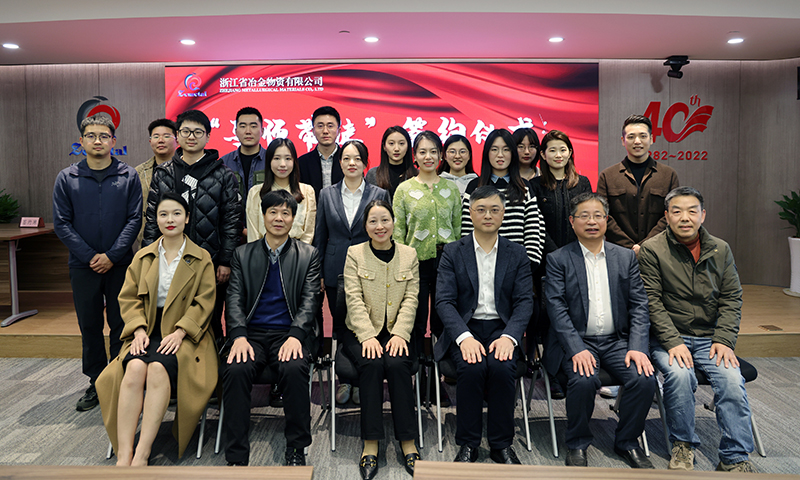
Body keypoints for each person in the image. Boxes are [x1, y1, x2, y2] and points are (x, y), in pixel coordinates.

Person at [638, 186, 757, 473]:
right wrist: (672, 341)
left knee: (732, 380)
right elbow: (651, 302)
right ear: (667, 216)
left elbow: (731, 297)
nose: (685, 217)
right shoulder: (652, 249)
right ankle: (682, 445)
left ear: (703, 215)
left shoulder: (720, 249)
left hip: (710, 339)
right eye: (677, 211)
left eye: (692, 211)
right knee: (680, 376)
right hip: (668, 338)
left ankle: (734, 456)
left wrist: (724, 340)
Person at [96, 192, 217, 465]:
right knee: (134, 368)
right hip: (147, 330)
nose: (170, 219)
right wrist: (138, 330)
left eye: (176, 213)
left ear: (187, 218)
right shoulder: (143, 257)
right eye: (163, 214)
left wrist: (181, 331)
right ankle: (124, 453)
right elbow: (128, 299)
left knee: (158, 368)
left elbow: (204, 302)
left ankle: (143, 452)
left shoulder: (201, 258)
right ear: (156, 219)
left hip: (187, 335)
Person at [543, 192, 656, 469]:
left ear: (607, 220)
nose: (591, 222)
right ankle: (577, 442)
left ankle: (627, 441)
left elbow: (639, 305)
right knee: (583, 380)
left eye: (597, 216)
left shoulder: (625, 257)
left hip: (617, 341)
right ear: (572, 221)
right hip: (578, 340)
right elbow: (556, 310)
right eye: (584, 216)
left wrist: (638, 347)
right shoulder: (558, 259)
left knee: (644, 379)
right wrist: (576, 349)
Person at [222, 189, 322, 467]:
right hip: (251, 335)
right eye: (273, 212)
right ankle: (236, 455)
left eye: (285, 213)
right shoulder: (243, 254)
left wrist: (296, 335)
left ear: (293, 218)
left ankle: (296, 447)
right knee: (236, 369)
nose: (279, 218)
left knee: (294, 367)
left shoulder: (308, 254)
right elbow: (234, 298)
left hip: (289, 334)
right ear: (263, 215)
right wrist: (238, 336)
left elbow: (310, 300)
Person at [435, 185, 533, 464]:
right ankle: (469, 443)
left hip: (502, 329)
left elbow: (525, 302)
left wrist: (510, 337)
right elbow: (444, 301)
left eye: (494, 210)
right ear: (471, 213)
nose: (488, 215)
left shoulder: (517, 253)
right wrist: (464, 337)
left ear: (503, 214)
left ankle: (501, 444)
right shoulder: (453, 252)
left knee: (502, 368)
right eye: (481, 209)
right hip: (466, 327)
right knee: (472, 368)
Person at [53, 114, 142, 411]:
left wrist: (112, 256)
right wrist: (90, 256)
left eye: (104, 136)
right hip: (83, 266)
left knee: (121, 323)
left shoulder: (128, 176)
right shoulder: (67, 178)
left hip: (121, 265)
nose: (98, 141)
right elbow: (62, 223)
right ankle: (96, 381)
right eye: (91, 136)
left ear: (113, 141)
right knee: (89, 325)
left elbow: (134, 220)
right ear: (81, 141)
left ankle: (119, 378)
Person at [143, 109, 242, 341]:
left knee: (209, 319)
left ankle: (212, 363)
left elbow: (231, 221)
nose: (191, 136)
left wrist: (225, 261)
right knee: (170, 318)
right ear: (177, 135)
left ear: (208, 137)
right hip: (169, 259)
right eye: (186, 131)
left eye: (198, 132)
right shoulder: (163, 173)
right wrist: (148, 258)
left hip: (209, 260)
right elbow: (152, 219)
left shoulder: (224, 175)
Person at [342, 199, 421, 479]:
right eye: (373, 221)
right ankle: (371, 443)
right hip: (360, 331)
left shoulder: (409, 254)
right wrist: (367, 336)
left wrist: (400, 333)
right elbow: (353, 298)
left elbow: (411, 298)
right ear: (365, 226)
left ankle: (408, 441)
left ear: (393, 222)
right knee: (372, 364)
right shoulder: (355, 253)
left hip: (397, 331)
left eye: (385, 220)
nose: (380, 226)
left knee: (398, 365)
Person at [313, 140, 391, 404]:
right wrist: (319, 272)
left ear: (365, 163)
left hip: (371, 269)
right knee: (341, 326)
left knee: (367, 323)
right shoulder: (327, 194)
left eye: (357, 158)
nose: (351, 163)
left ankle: (362, 381)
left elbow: (385, 235)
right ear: (340, 163)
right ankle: (345, 379)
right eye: (346, 158)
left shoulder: (379, 194)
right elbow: (320, 235)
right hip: (335, 270)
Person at [530, 129, 592, 399]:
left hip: (580, 261)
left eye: (563, 149)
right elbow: (537, 226)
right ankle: (552, 373)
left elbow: (588, 219)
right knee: (551, 318)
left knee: (576, 316)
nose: (558, 155)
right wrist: (557, 255)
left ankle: (571, 368)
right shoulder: (535, 185)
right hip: (548, 263)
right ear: (543, 155)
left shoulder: (583, 183)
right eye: (552, 150)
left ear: (570, 153)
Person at [393, 130, 462, 349]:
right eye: (422, 152)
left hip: (447, 261)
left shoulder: (451, 189)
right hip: (415, 262)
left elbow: (458, 228)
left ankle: (442, 364)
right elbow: (398, 231)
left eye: (433, 151)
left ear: (441, 155)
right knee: (416, 317)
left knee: (444, 316)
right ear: (415, 156)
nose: (428, 157)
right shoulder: (404, 189)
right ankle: (418, 364)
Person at [597, 114, 680, 255]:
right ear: (623, 141)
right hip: (618, 252)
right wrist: (630, 247)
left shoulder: (668, 175)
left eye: (643, 136)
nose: (637, 141)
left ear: (651, 139)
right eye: (631, 137)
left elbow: (672, 214)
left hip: (658, 252)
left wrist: (645, 246)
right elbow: (603, 215)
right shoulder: (607, 176)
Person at [462, 129, 545, 269]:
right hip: (480, 266)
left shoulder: (524, 187)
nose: (500, 155)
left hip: (518, 268)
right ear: (487, 153)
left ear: (512, 153)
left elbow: (534, 230)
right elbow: (467, 229)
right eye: (494, 149)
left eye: (506, 150)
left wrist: (527, 265)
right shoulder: (474, 187)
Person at [245, 138, 316, 244]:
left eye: (288, 158)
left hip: (298, 251)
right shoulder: (255, 192)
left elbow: (308, 233)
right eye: (277, 158)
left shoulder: (307, 191)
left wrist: (300, 253)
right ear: (269, 161)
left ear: (294, 161)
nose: (282, 164)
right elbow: (253, 234)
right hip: (262, 251)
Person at [136, 118, 178, 248]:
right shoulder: (139, 172)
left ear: (177, 140)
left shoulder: (186, 169)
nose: (161, 140)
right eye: (156, 136)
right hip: (148, 241)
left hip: (181, 240)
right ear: (150, 141)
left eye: (166, 136)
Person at [220, 106, 268, 212]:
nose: (248, 131)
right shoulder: (224, 163)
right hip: (233, 221)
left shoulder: (272, 160)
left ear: (262, 131)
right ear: (236, 131)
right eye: (243, 126)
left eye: (253, 126)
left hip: (263, 221)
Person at [298, 106, 344, 200]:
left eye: (330, 126)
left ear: (338, 130)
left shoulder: (347, 160)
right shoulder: (301, 163)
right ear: (313, 131)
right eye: (320, 126)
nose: (325, 131)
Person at [365, 126, 417, 197]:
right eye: (391, 143)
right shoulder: (373, 174)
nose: (396, 149)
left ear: (408, 146)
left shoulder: (417, 175)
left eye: (401, 143)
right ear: (384, 146)